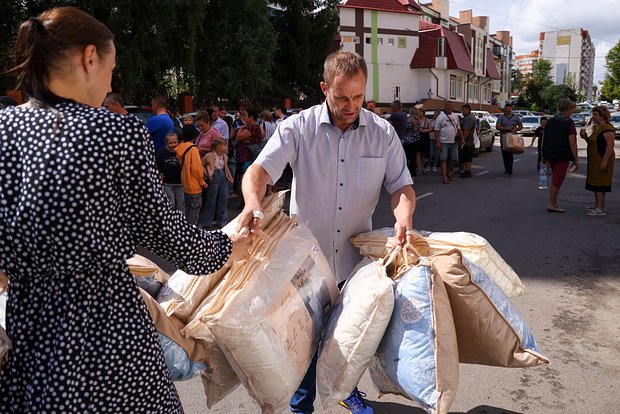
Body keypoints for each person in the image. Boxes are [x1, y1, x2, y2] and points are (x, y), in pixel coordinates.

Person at [0, 7, 249, 413]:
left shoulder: (4, 130)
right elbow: (165, 233)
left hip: (29, 331)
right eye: (111, 68)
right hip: (105, 331)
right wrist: (225, 248)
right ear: (89, 57)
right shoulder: (114, 134)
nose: (110, 82)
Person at [237, 50, 416, 414]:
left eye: (357, 97)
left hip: (354, 267)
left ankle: (346, 389)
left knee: (351, 342)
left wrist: (403, 217)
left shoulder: (382, 135)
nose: (350, 106)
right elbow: (258, 172)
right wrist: (252, 204)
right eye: (340, 98)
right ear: (324, 89)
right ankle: (302, 407)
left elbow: (401, 187)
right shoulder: (297, 129)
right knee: (303, 347)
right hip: (304, 268)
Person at [542, 98, 579, 213]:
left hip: (551, 153)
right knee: (557, 179)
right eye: (573, 109)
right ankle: (552, 204)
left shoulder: (551, 121)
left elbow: (545, 139)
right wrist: (576, 160)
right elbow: (572, 143)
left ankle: (554, 203)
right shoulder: (569, 123)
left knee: (555, 178)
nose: (573, 111)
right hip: (562, 155)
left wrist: (545, 155)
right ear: (569, 109)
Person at [579, 105, 615, 216]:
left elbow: (610, 145)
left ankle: (600, 208)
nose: (593, 116)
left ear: (602, 115)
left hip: (602, 158)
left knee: (600, 183)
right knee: (596, 183)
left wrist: (604, 161)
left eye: (595, 114)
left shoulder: (607, 127)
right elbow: (593, 142)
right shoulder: (598, 127)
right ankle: (597, 205)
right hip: (595, 159)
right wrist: (585, 137)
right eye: (593, 114)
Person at [198, 138, 234, 229]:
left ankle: (222, 220)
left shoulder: (225, 156)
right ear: (218, 146)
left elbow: (226, 167)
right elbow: (201, 165)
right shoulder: (209, 155)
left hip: (223, 176)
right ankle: (205, 221)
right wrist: (207, 174)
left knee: (223, 198)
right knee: (211, 199)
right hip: (214, 176)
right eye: (224, 145)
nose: (226, 147)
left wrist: (229, 176)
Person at [177, 124, 207, 225]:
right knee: (194, 213)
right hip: (194, 185)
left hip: (185, 184)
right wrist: (202, 182)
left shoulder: (180, 147)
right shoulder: (193, 149)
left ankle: (186, 232)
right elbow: (196, 169)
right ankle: (192, 234)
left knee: (188, 210)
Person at [434, 101, 463, 184]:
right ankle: (444, 177)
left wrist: (462, 139)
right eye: (447, 105)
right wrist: (438, 142)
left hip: (453, 142)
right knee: (443, 159)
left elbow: (459, 129)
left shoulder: (455, 116)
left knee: (454, 159)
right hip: (443, 142)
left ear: (452, 106)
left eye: (450, 105)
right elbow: (436, 131)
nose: (448, 106)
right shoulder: (440, 117)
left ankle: (448, 172)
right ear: (444, 106)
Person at [156, 132, 185, 214]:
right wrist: (160, 172)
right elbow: (157, 163)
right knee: (170, 203)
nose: (173, 145)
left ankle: (181, 220)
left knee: (181, 203)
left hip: (180, 182)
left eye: (175, 142)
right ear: (166, 143)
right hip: (167, 182)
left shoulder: (181, 151)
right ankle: (171, 221)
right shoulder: (162, 152)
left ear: (178, 141)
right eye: (170, 143)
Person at [496, 104, 523, 175]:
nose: (508, 110)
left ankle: (510, 169)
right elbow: (497, 126)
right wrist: (507, 129)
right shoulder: (501, 117)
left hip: (512, 138)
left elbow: (520, 126)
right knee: (504, 154)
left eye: (509, 108)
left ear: (511, 109)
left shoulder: (516, 117)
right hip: (504, 138)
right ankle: (506, 168)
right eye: (506, 108)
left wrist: (516, 129)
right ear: (505, 109)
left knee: (510, 154)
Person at [459, 104, 476, 178]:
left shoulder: (469, 118)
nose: (462, 112)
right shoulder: (468, 117)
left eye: (464, 110)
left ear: (468, 109)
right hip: (468, 141)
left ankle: (468, 171)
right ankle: (466, 170)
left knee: (467, 157)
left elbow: (466, 131)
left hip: (467, 142)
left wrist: (463, 140)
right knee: (466, 157)